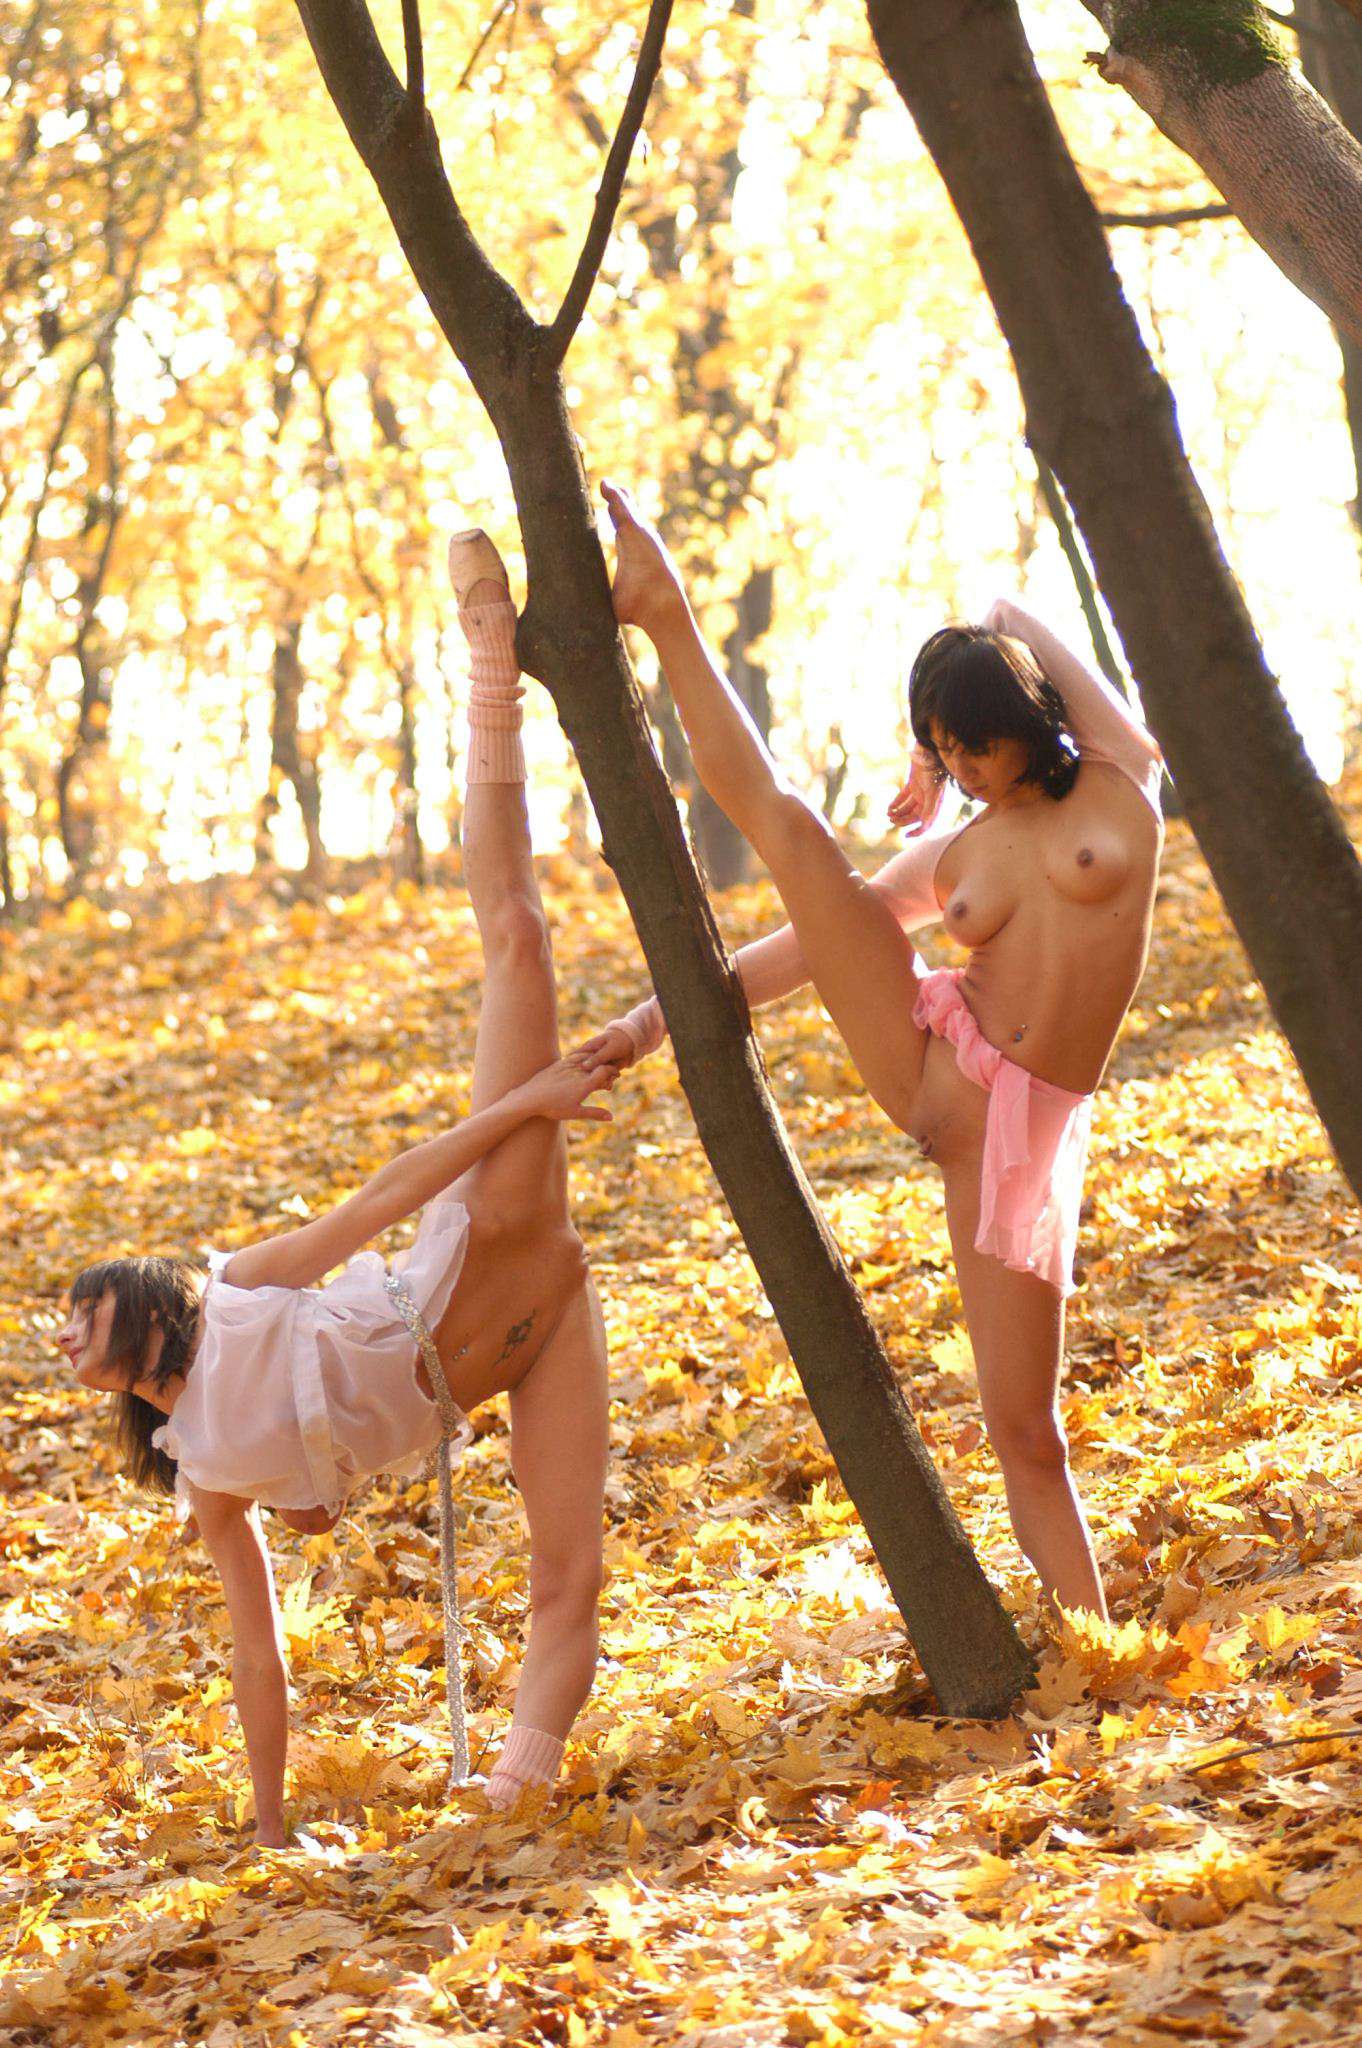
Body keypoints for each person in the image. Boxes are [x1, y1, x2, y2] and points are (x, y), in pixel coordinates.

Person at [57, 532, 617, 1844]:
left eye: (80, 1307)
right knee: (568, 1582)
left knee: (517, 939)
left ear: (142, 1298)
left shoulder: (237, 1292)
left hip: (486, 1240)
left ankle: (490, 666)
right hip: (531, 1343)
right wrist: (267, 1825)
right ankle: (504, 1813)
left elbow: (376, 1200)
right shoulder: (206, 1476)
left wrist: (525, 1107)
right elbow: (257, 1654)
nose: (62, 1334)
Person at [577, 480, 1164, 1623]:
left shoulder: (1124, 781)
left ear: (1023, 713)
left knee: (1026, 1428)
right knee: (791, 828)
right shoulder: (956, 856)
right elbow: (818, 940)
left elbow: (1009, 610)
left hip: (1024, 1145)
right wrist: (646, 1024)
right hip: (935, 1076)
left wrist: (953, 695)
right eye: (943, 750)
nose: (964, 767)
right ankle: (663, 608)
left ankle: (1095, 1645)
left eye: (972, 743)